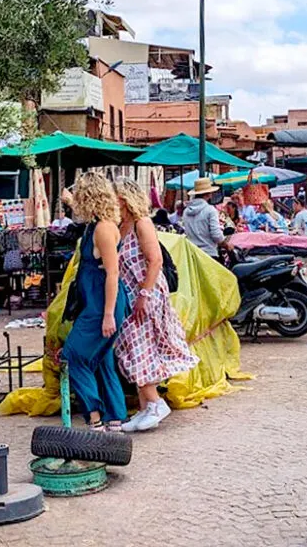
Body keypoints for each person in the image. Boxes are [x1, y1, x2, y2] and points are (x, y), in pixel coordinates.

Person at [111, 179, 198, 432]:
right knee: (137, 347)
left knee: (136, 346)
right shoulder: (121, 225)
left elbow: (155, 259)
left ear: (125, 198)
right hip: (131, 294)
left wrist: (145, 294)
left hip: (146, 292)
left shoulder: (141, 223)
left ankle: (156, 403)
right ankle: (145, 408)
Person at [63, 172, 130, 432]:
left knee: (74, 356)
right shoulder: (97, 224)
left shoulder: (102, 229)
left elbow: (113, 273)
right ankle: (115, 418)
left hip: (101, 305)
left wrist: (108, 314)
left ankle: (95, 418)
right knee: (102, 360)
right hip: (98, 302)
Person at [182, 178, 227, 258]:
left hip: (192, 254)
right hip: (209, 254)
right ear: (208, 194)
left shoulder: (186, 211)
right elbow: (216, 235)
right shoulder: (210, 210)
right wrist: (226, 244)